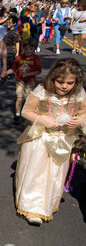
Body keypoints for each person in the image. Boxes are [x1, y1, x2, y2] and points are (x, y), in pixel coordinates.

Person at [15, 58, 86, 226]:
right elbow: (27, 111)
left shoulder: (79, 93)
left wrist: (80, 121)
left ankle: (47, 205)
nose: (64, 86)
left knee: (55, 174)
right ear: (53, 78)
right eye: (60, 82)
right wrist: (44, 120)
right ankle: (32, 208)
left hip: (63, 139)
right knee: (36, 174)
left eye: (69, 83)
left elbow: (84, 113)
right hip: (40, 138)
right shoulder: (42, 90)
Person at [5, 38, 41, 124]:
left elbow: (39, 71)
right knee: (19, 97)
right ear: (23, 48)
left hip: (30, 81)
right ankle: (17, 114)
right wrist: (6, 72)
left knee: (28, 98)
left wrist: (29, 74)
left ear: (34, 49)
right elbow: (13, 68)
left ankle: (28, 114)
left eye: (31, 49)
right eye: (26, 49)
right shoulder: (19, 58)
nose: (28, 51)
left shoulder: (35, 58)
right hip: (20, 80)